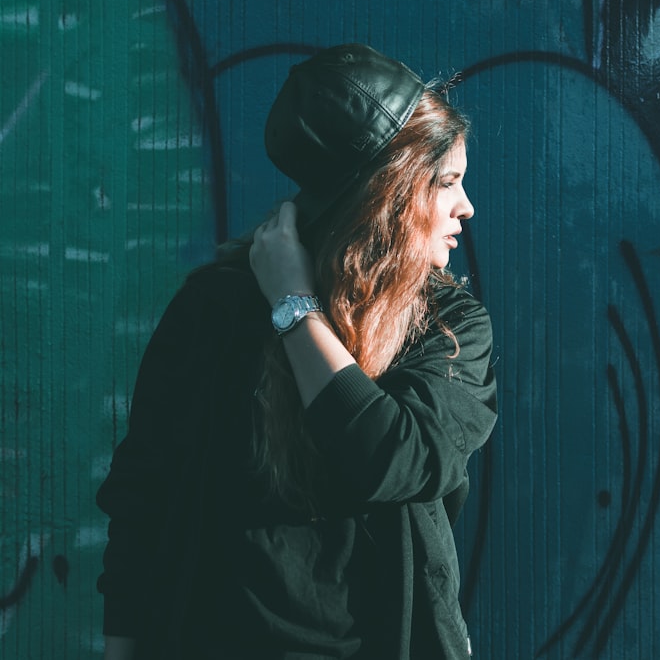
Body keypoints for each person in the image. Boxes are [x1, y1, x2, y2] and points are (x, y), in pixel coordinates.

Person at [97, 44, 497, 659]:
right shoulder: (218, 307)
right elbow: (144, 494)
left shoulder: (447, 326)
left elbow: (398, 457)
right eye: (446, 182)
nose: (465, 206)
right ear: (383, 197)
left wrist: (294, 307)